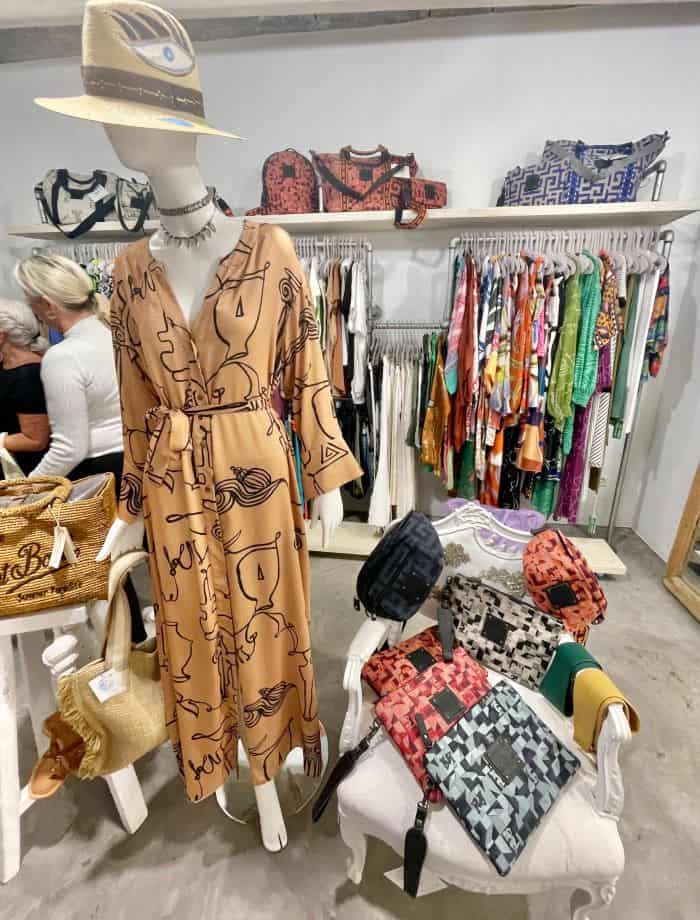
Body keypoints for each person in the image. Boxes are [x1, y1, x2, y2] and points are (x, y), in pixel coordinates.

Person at [15, 252, 146, 641]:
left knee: (106, 576)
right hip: (138, 463)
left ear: (47, 304)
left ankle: (124, 657)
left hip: (99, 475)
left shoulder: (63, 357)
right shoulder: (117, 337)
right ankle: (141, 653)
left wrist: (26, 492)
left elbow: (69, 447)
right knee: (128, 570)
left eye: (30, 300)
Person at [0, 298, 50, 475]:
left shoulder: (28, 375)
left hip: (28, 475)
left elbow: (35, 439)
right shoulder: (9, 367)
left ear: (1, 336)